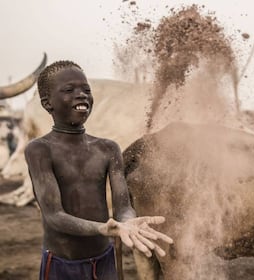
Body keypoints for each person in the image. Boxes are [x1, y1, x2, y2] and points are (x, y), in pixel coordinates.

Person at [24, 60, 173, 280]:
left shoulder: (108, 148)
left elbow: (123, 206)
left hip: (104, 260)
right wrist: (102, 229)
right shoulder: (39, 150)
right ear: (47, 103)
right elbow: (54, 215)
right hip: (62, 264)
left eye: (86, 90)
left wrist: (128, 221)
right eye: (69, 90)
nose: (81, 95)